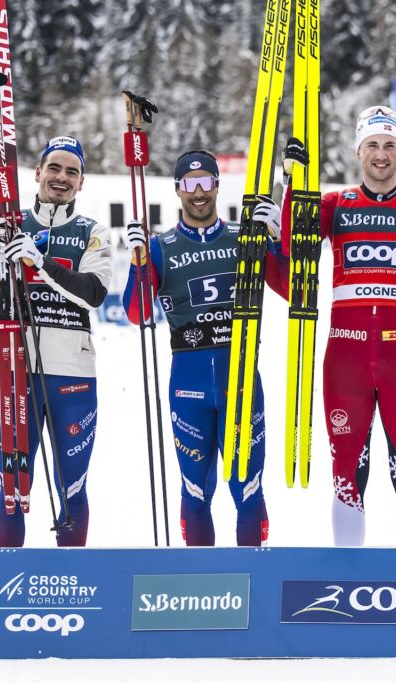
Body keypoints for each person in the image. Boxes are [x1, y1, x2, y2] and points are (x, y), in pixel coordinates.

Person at [273, 106, 396, 546]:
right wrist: (294, 185)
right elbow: (293, 243)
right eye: (372, 146)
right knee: (346, 471)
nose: (381, 155)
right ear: (358, 150)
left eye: (389, 146)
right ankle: (347, 578)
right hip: (346, 357)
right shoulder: (335, 204)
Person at [0, 135, 112, 547]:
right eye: (54, 168)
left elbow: (93, 293)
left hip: (72, 377)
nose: (61, 178)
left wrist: (41, 265)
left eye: (71, 171)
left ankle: (71, 581)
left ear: (82, 182)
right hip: (14, 371)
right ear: (37, 172)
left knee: (72, 488)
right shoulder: (10, 224)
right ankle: (9, 585)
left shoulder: (91, 232)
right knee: (12, 488)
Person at [123, 150, 280, 546]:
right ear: (177, 189)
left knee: (247, 489)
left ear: (216, 186)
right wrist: (138, 262)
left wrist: (276, 239)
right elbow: (136, 312)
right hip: (188, 386)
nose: (198, 192)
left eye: (205, 182)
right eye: (189, 184)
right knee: (194, 492)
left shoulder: (244, 238)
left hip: (241, 380)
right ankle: (201, 586)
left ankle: (252, 581)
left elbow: (291, 286)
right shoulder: (161, 246)